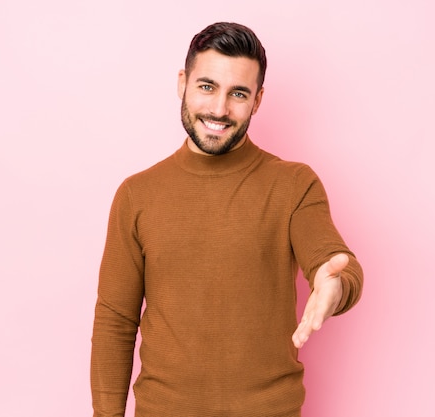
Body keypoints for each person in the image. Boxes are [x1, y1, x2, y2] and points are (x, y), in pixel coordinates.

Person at [90, 21, 363, 417]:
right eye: (207, 86)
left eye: (238, 93)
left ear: (257, 100)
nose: (219, 109)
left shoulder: (294, 184)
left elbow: (335, 262)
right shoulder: (137, 194)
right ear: (182, 82)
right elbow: (115, 321)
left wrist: (334, 285)